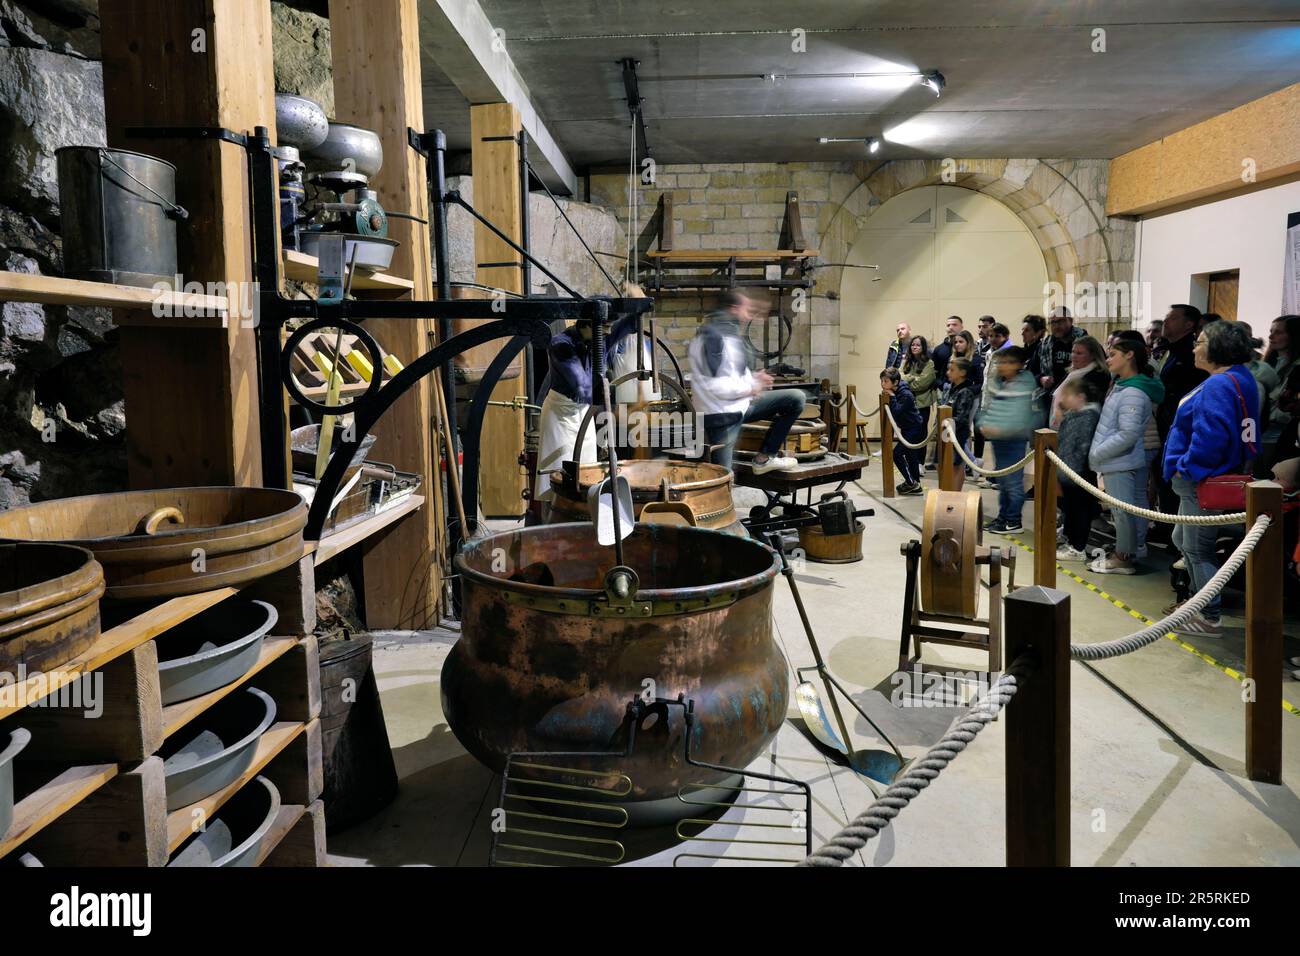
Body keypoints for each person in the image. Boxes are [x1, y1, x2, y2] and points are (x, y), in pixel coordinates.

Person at [1163, 320, 1261, 636]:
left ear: (1217, 347)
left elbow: (1212, 435)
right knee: (1183, 540)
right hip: (1206, 477)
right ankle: (1196, 602)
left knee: (1196, 548)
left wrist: (1188, 468)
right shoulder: (1239, 379)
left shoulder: (1221, 383)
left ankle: (1208, 613)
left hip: (1201, 480)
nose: (1194, 347)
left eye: (1201, 341)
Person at [689, 291, 802, 474]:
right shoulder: (712, 338)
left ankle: (765, 458)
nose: (749, 316)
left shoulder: (728, 335)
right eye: (746, 310)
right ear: (733, 309)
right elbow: (714, 386)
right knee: (723, 479)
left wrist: (754, 378)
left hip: (739, 407)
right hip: (721, 416)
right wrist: (751, 387)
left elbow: (730, 372)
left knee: (795, 399)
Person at [1087, 339, 1165, 574]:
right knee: (1125, 510)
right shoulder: (1123, 386)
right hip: (1117, 459)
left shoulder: (1132, 392)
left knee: (1123, 512)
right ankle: (1127, 549)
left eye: (1112, 354)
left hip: (1119, 460)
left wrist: (1097, 453)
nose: (1108, 359)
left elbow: (1127, 434)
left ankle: (1123, 558)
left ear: (1129, 355)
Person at [1153, 304, 1209, 518]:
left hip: (1181, 427)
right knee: (1162, 479)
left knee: (1175, 482)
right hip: (1166, 423)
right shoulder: (1169, 350)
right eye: (1166, 318)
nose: (1166, 322)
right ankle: (1165, 523)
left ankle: (1172, 529)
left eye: (1173, 318)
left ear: (1189, 324)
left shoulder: (1190, 354)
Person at [536, 320, 600, 507]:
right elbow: (580, 384)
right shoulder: (561, 344)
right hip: (560, 414)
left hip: (583, 413)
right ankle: (553, 520)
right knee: (556, 477)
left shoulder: (593, 344)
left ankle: (581, 516)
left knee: (587, 473)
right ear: (588, 326)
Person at [977, 347, 1037, 534]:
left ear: (1018, 365)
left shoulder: (1024, 384)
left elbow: (1019, 416)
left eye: (1007, 362)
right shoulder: (1002, 383)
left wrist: (1000, 428)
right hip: (999, 440)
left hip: (1013, 441)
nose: (1002, 366)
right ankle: (1003, 518)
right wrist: (984, 423)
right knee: (1003, 483)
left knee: (1013, 483)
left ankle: (1013, 520)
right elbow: (991, 407)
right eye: (1000, 362)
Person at [1055, 375, 1104, 560]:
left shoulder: (1087, 417)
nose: (1064, 400)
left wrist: (1071, 471)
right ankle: (1070, 538)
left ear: (1080, 397)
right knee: (1071, 508)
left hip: (1078, 472)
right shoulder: (1074, 416)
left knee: (1080, 510)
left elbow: (1083, 447)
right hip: (1068, 471)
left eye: (1068, 395)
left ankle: (1078, 547)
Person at [1261, 315, 1300, 471]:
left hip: (1281, 434)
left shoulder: (1297, 367)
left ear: (1294, 335)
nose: (1271, 336)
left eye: (1279, 332)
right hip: (1258, 432)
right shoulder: (1266, 364)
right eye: (1271, 331)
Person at [880, 367, 925, 495]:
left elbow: (896, 411)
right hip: (906, 428)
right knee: (911, 456)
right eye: (882, 381)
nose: (883, 384)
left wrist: (892, 397)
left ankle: (911, 483)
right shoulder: (895, 390)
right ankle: (915, 484)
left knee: (897, 454)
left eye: (886, 381)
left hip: (914, 428)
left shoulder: (906, 395)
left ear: (895, 382)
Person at [1049, 335, 1109, 428]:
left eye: (1079, 353)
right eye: (1073, 352)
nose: (1074, 356)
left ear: (1092, 355)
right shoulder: (1072, 373)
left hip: (1080, 426)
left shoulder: (1098, 376)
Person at [942, 357, 979, 492]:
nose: (948, 373)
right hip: (947, 432)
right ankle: (948, 490)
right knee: (945, 463)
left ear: (962, 373)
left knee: (957, 465)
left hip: (958, 433)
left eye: (952, 370)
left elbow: (962, 417)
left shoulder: (966, 392)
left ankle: (955, 493)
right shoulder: (952, 388)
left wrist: (947, 421)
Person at [902, 335, 938, 466]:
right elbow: (900, 379)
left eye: (918, 345)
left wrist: (909, 379)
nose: (914, 347)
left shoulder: (929, 363)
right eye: (912, 345)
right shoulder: (906, 362)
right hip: (907, 404)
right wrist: (911, 378)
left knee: (921, 434)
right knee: (907, 432)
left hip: (922, 404)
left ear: (923, 347)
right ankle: (909, 459)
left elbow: (921, 384)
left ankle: (919, 462)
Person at [1038, 307, 1087, 398]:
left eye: (1061, 321)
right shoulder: (1044, 345)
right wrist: (1041, 379)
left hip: (1077, 397)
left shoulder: (1086, 344)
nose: (1056, 326)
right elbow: (1033, 370)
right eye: (1053, 322)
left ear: (1071, 321)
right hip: (1051, 397)